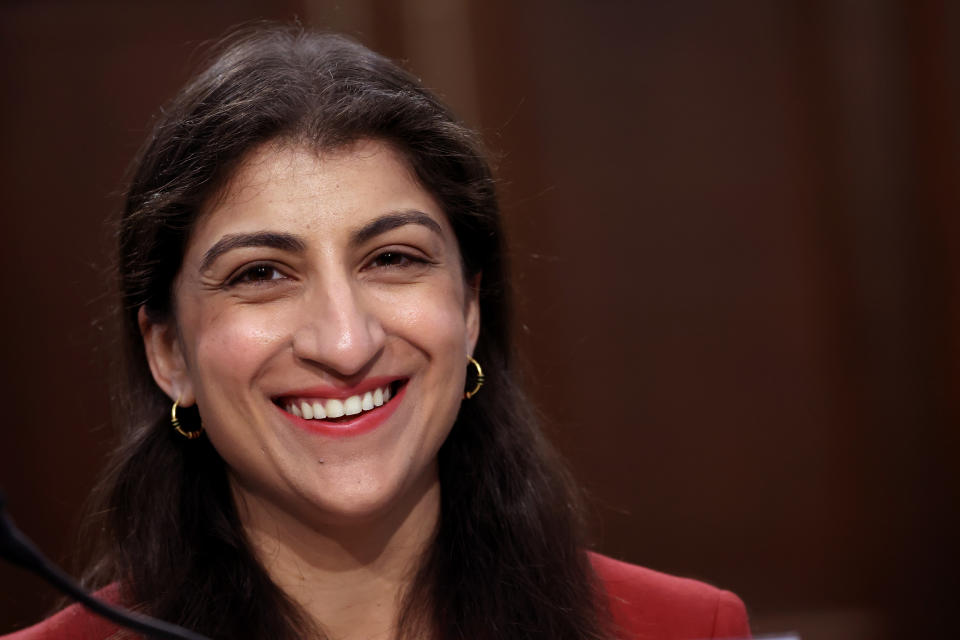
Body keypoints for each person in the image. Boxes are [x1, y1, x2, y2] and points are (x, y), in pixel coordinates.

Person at [4, 25, 750, 640]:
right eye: (260, 273)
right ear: (169, 353)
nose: (345, 342)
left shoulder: (686, 629)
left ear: (469, 309)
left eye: (393, 259)